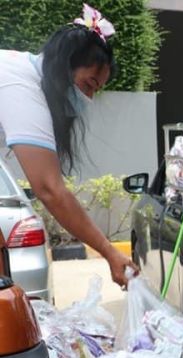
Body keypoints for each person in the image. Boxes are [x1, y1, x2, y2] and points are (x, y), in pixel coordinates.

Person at [0, 4, 135, 286]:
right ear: (64, 66)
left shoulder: (18, 69)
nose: (88, 98)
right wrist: (109, 252)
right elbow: (50, 189)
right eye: (88, 84)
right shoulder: (21, 86)